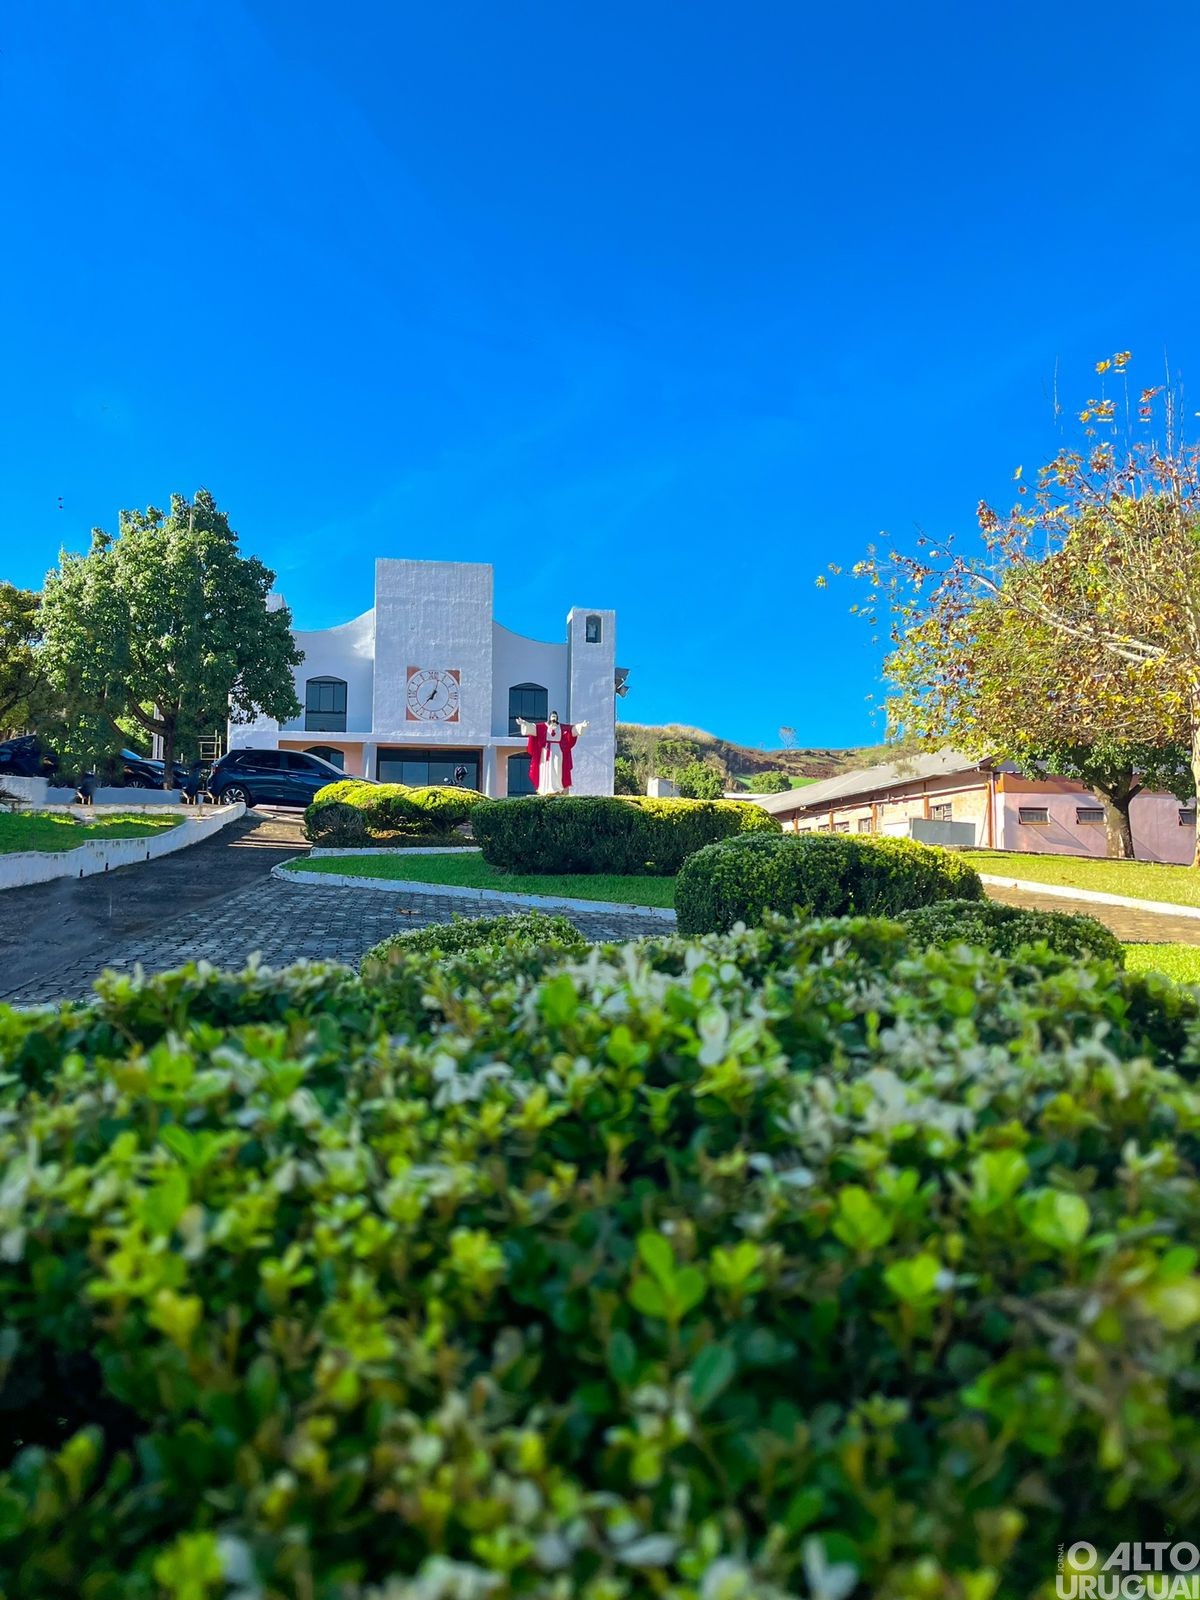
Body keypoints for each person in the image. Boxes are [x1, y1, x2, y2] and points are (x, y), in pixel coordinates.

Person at [515, 710, 588, 795]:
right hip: (546, 752)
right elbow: (532, 727)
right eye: (552, 716)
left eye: (555, 717)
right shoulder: (543, 727)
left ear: (557, 718)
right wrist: (524, 723)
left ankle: (557, 788)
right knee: (545, 769)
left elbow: (572, 729)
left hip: (558, 751)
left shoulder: (562, 727)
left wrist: (581, 726)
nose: (553, 718)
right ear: (549, 717)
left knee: (557, 769)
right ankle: (545, 789)